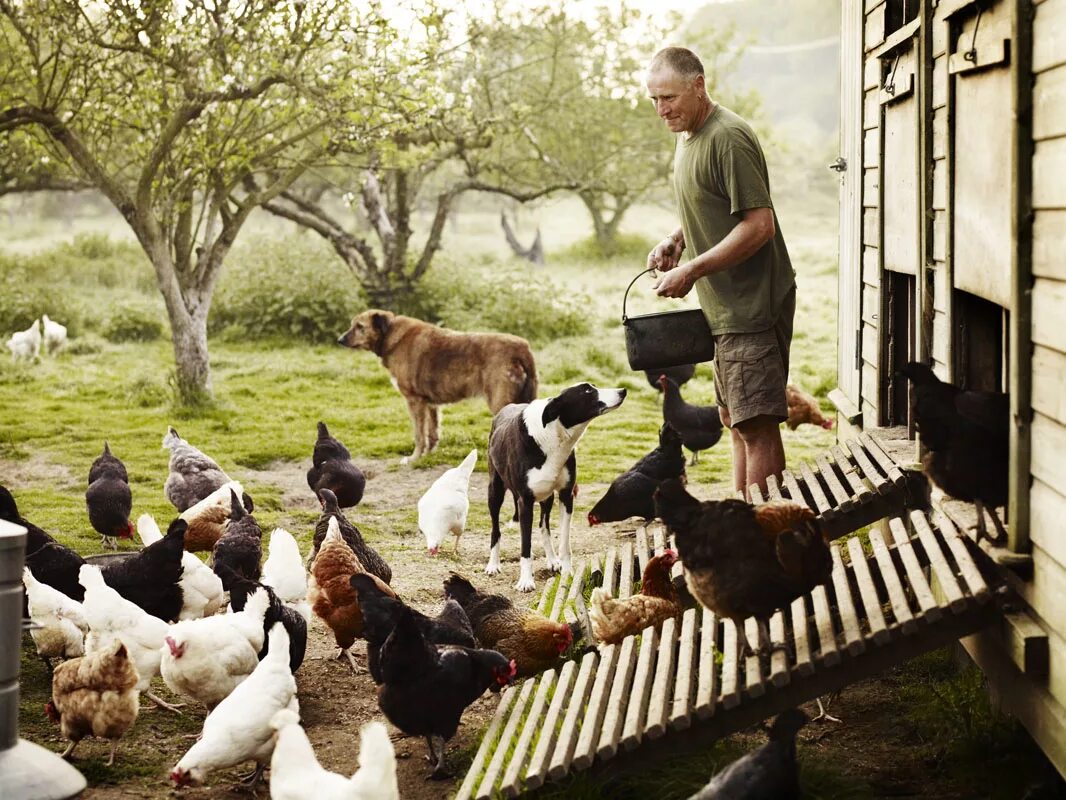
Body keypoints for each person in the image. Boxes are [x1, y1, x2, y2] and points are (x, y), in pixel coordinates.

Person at [644, 46, 796, 498]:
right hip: (723, 311)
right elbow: (712, 206)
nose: (660, 110)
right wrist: (677, 240)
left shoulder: (727, 137)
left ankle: (764, 538)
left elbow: (759, 224)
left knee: (757, 426)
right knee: (735, 422)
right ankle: (743, 524)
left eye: (668, 97)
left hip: (751, 307)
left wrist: (691, 269)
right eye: (653, 100)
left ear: (698, 85)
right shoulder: (687, 136)